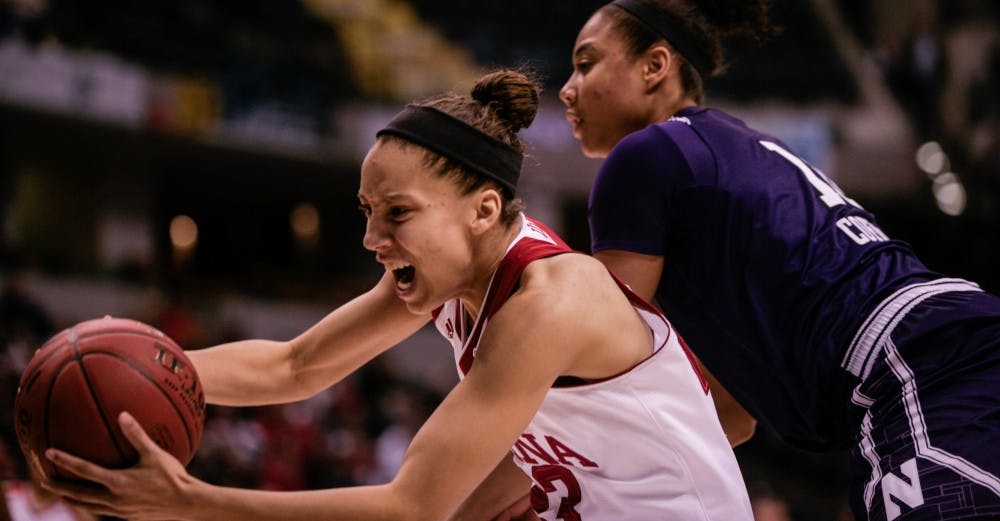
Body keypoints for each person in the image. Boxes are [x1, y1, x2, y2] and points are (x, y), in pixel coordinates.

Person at [39, 70, 753, 520]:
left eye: (398, 212)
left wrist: (191, 503)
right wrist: (136, 367)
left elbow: (413, 503)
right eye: (367, 211)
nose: (373, 237)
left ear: (481, 209)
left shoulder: (549, 300)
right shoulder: (446, 277)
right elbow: (293, 366)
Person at [557, 1, 1000, 520]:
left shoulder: (646, 153)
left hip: (914, 365)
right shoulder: (733, 149)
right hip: (949, 346)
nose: (568, 88)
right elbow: (731, 415)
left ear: (655, 66)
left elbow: (598, 361)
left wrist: (537, 477)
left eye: (586, 64)